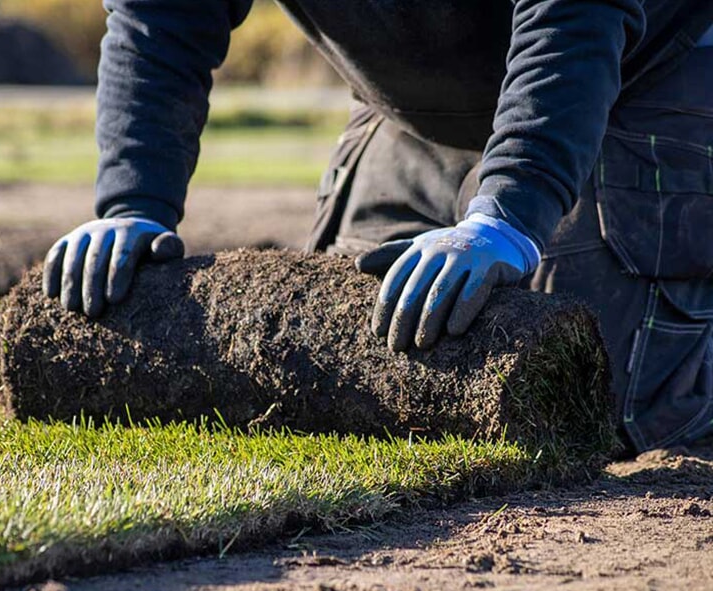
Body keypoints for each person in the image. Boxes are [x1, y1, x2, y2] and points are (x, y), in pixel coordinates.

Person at [42, 0, 713, 453]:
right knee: (344, 374)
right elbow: (161, 16)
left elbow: (573, 17)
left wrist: (509, 211)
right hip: (411, 111)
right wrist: (133, 201)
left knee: (608, 402)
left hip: (643, 70)